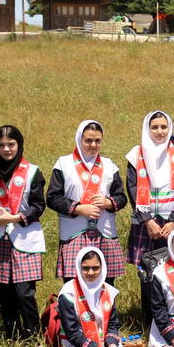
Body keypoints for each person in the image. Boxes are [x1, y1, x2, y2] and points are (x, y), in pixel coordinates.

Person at [0, 125, 45, 338]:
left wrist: (16, 217)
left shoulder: (32, 171)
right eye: (1, 145)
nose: (6, 149)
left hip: (24, 237)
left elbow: (38, 205)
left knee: (24, 292)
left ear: (19, 144)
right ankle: (12, 335)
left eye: (11, 144)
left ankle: (33, 336)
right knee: (4, 291)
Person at [47, 120, 127, 282]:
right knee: (73, 284)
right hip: (73, 233)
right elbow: (53, 198)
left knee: (106, 284)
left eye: (97, 141)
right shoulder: (63, 164)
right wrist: (78, 209)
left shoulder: (109, 165)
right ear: (79, 139)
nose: (93, 145)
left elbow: (121, 197)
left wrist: (108, 202)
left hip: (104, 233)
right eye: (88, 140)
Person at [126, 111, 174, 323]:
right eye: (155, 127)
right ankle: (149, 320)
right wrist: (147, 220)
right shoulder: (136, 155)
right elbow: (132, 188)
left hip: (172, 224)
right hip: (147, 224)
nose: (160, 131)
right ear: (147, 129)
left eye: (163, 127)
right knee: (148, 271)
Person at [56, 246, 133, 347]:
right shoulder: (68, 293)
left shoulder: (108, 291)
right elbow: (72, 332)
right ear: (78, 267)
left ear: (102, 267)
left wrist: (113, 346)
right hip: (79, 345)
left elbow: (113, 324)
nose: (91, 272)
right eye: (85, 268)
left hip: (105, 343)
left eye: (95, 268)